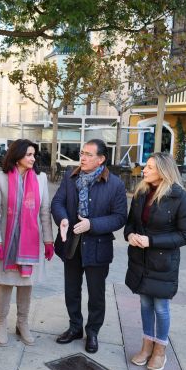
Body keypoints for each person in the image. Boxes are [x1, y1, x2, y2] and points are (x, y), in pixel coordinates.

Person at [51, 139, 127, 353]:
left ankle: (92, 331)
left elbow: (120, 217)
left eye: (88, 154)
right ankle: (75, 327)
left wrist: (92, 224)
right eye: (82, 153)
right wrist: (63, 219)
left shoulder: (115, 184)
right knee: (71, 290)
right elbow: (57, 202)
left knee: (96, 293)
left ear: (101, 159)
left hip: (98, 247)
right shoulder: (70, 176)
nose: (82, 158)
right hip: (72, 245)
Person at [124, 152, 186, 370]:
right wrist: (130, 236)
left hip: (163, 262)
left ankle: (160, 349)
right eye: (145, 166)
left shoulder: (179, 196)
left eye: (149, 167)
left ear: (163, 171)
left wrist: (151, 241)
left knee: (161, 307)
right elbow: (130, 225)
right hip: (140, 259)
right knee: (145, 303)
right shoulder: (141, 193)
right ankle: (146, 345)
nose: (144, 170)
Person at [0, 139, 54, 346]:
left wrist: (48, 240)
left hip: (31, 243)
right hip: (8, 242)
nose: (33, 159)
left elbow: (44, 212)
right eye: (28, 155)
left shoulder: (41, 179)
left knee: (26, 285)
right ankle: (1, 323)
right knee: (4, 284)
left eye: (34, 155)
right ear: (17, 156)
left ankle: (22, 323)